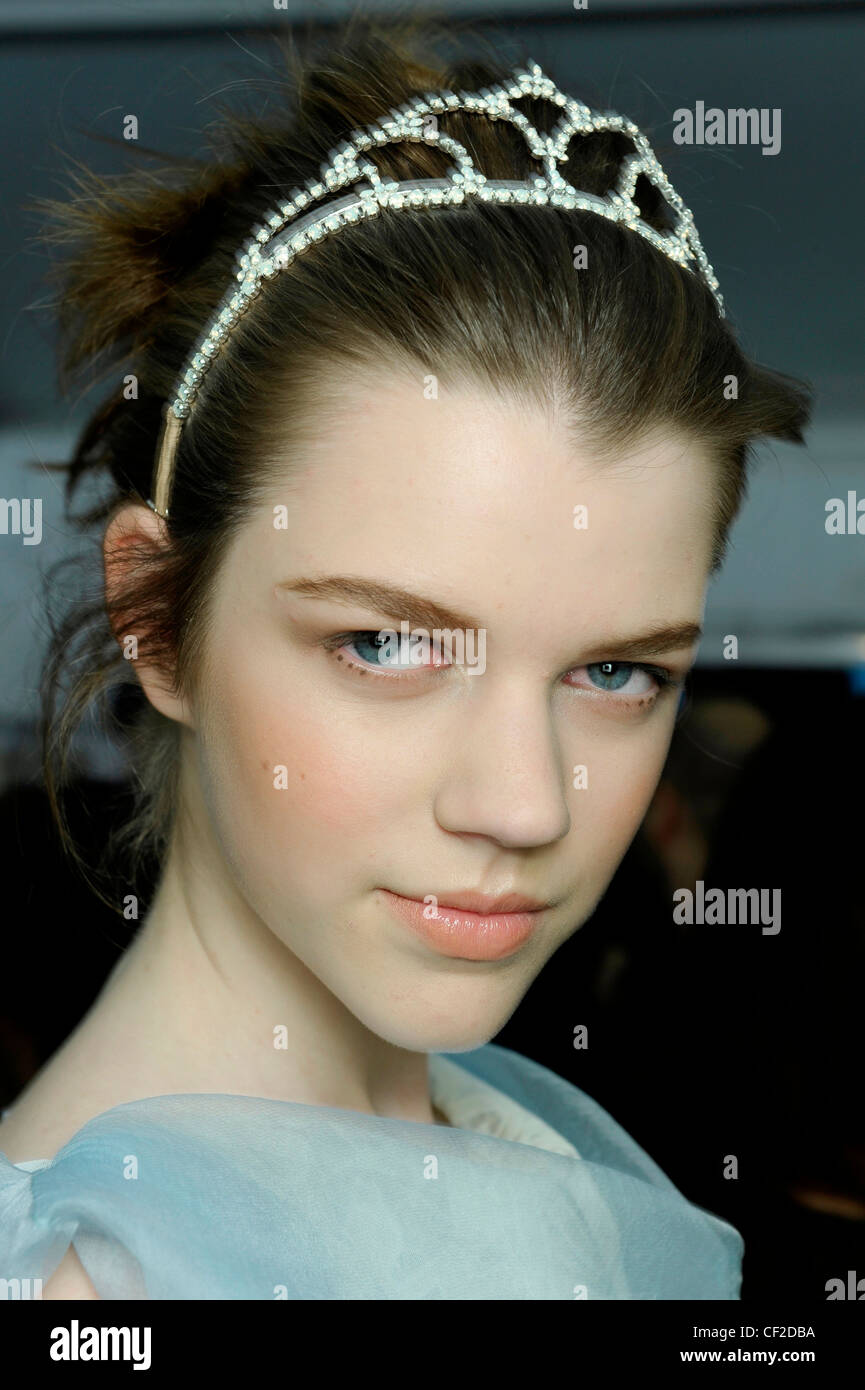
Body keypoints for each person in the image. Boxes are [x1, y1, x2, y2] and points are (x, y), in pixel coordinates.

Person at [0, 16, 811, 1299]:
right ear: (157, 615)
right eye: (385, 643)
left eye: (617, 673)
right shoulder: (97, 1285)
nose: (525, 804)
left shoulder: (536, 1155)